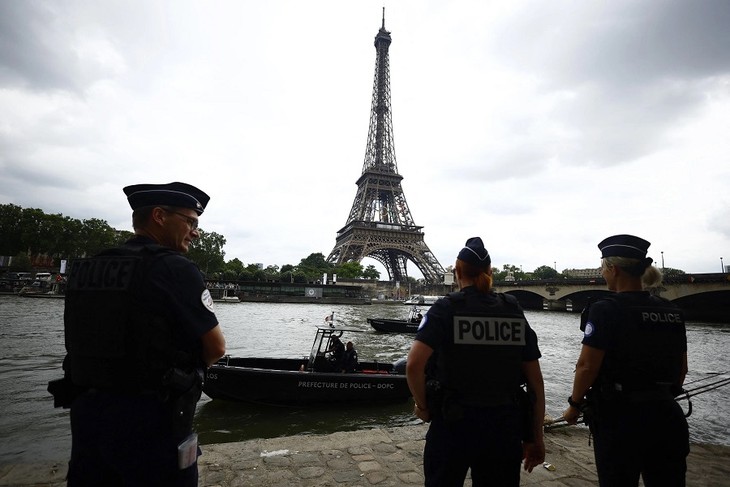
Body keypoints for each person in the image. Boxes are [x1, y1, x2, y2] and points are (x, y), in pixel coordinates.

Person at [49, 182, 226, 486]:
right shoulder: (175, 268)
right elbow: (216, 348)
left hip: (87, 414)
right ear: (159, 216)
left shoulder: (89, 267)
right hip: (151, 420)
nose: (195, 232)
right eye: (191, 221)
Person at [406, 237, 545, 486]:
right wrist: (536, 437)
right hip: (503, 426)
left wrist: (423, 406)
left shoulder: (446, 309)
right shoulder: (512, 310)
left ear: (457, 272)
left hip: (453, 423)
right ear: (490, 272)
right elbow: (535, 383)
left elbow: (414, 365)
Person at [562, 234, 689, 486]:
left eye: (603, 268)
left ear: (614, 269)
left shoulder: (605, 309)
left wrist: (574, 405)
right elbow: (681, 369)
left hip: (620, 420)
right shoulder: (672, 311)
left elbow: (587, 366)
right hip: (667, 417)